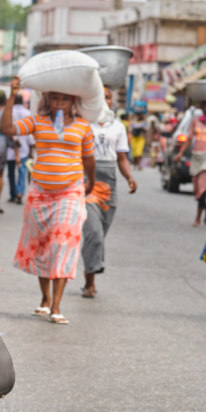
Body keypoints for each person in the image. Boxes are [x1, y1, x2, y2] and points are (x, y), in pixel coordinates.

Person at [1, 77, 95, 325]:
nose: (60, 103)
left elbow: (89, 159)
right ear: (48, 100)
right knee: (42, 246)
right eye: (56, 98)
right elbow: (7, 129)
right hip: (40, 194)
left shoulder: (83, 127)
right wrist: (12, 95)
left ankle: (56, 305)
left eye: (65, 99)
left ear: (72, 101)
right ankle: (44, 299)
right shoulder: (37, 122)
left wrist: (91, 182)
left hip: (70, 193)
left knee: (63, 243)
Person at [81, 88, 137, 298]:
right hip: (87, 181)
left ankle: (91, 268)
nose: (105, 101)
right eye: (100, 97)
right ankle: (90, 283)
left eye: (108, 97)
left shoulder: (119, 127)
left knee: (100, 234)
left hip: (109, 182)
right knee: (93, 232)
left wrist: (130, 178)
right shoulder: (84, 124)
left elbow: (122, 158)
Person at [174, 100, 206, 227]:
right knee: (197, 188)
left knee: (202, 186)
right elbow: (189, 138)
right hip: (196, 156)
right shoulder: (195, 121)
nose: (205, 107)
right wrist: (180, 154)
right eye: (203, 105)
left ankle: (198, 218)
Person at [6, 92, 32, 204]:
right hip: (24, 146)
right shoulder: (27, 113)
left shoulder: (9, 113)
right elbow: (31, 132)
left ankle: (13, 194)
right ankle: (20, 192)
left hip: (11, 147)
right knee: (22, 171)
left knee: (11, 173)